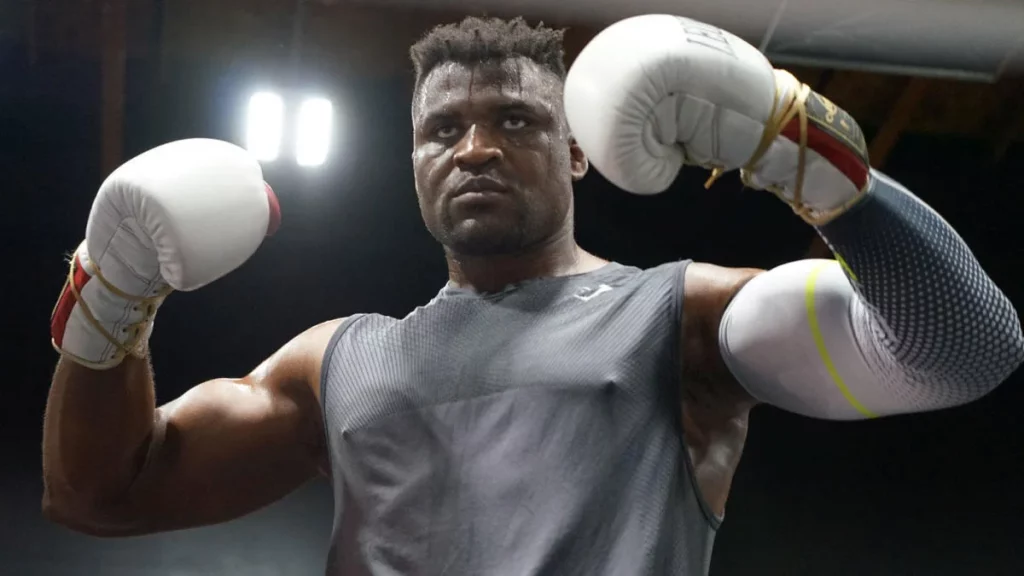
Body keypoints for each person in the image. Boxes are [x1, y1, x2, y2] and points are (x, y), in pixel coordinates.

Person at [42, 14, 1022, 575]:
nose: (473, 148)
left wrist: (812, 159)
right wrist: (109, 299)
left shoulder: (678, 317)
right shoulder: (335, 361)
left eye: (514, 119)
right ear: (413, 163)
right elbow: (98, 493)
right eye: (441, 131)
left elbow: (960, 348)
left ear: (578, 151)